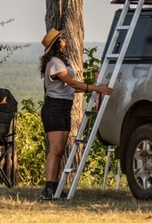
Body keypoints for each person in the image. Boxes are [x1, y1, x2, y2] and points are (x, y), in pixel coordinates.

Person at [39, 28, 112, 200]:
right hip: (54, 107)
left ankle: (55, 186)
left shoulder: (64, 61)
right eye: (62, 38)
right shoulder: (56, 62)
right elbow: (71, 83)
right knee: (55, 149)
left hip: (64, 106)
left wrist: (92, 86)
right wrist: (96, 88)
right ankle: (48, 188)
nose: (65, 40)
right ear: (57, 43)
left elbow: (70, 88)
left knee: (60, 149)